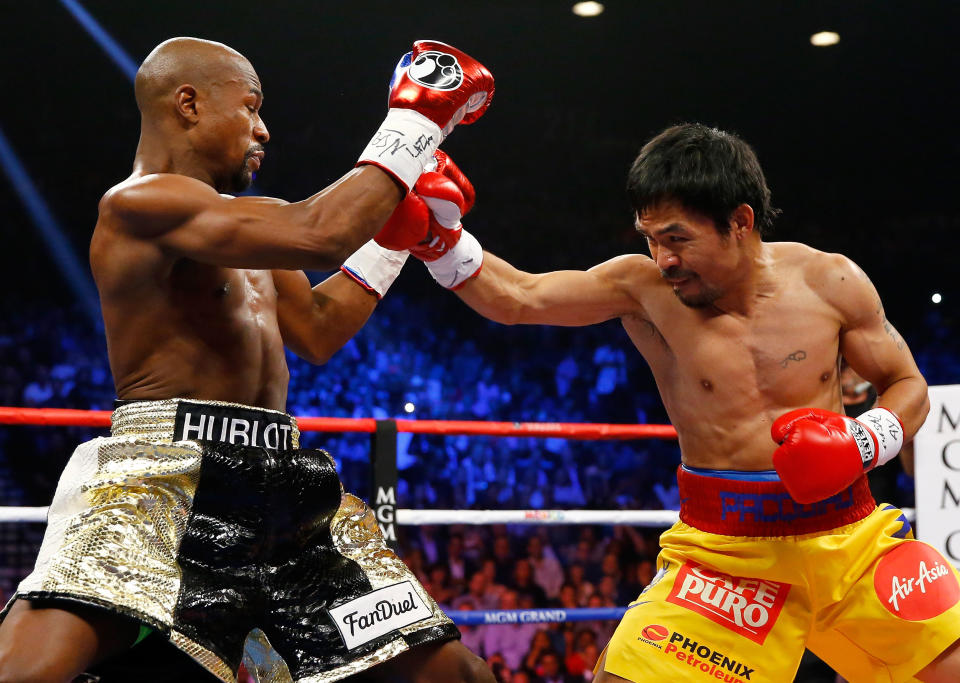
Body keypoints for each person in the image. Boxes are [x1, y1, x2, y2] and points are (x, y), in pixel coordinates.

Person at [384, 123, 960, 681]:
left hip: (850, 539)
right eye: (650, 238)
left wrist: (862, 441)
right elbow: (520, 298)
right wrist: (440, 242)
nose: (663, 258)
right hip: (724, 558)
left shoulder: (830, 281)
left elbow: (907, 387)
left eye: (677, 238)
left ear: (740, 221)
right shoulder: (645, 290)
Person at [0, 36, 496, 682]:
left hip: (288, 490)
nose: (264, 130)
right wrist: (416, 120)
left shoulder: (247, 228)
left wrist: (396, 242)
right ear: (189, 104)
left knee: (458, 672)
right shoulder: (137, 206)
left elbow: (318, 328)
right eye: (252, 107)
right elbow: (320, 232)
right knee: (31, 666)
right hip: (165, 482)